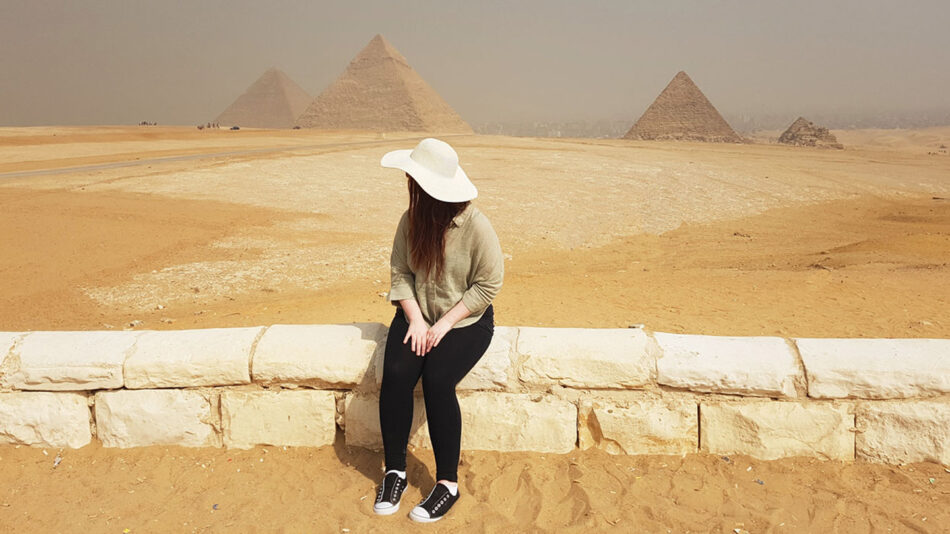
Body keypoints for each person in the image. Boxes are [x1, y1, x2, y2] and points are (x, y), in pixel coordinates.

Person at [373, 138, 504, 523]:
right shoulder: (410, 220)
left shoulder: (476, 226)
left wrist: (445, 323)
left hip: (466, 320)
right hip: (418, 314)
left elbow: (488, 285)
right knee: (396, 373)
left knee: (437, 379)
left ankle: (447, 483)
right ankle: (394, 470)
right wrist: (415, 319)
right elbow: (400, 273)